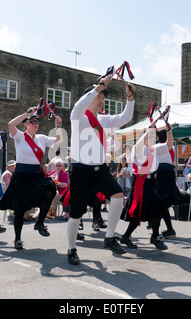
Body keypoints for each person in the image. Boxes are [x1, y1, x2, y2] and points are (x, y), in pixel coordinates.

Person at [67, 76, 136, 265]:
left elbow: (125, 118)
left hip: (100, 170)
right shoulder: (78, 117)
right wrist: (99, 87)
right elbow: (78, 106)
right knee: (76, 213)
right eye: (98, 96)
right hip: (81, 170)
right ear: (89, 98)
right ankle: (72, 249)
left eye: (102, 96)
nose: (101, 99)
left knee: (117, 195)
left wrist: (129, 98)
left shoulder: (103, 120)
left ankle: (109, 237)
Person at [0, 109, 62, 250]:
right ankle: (17, 239)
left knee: (50, 191)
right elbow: (11, 124)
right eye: (32, 122)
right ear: (25, 124)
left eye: (37, 122)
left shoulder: (41, 138)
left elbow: (58, 141)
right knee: (19, 211)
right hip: (22, 176)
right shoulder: (19, 136)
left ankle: (40, 223)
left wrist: (58, 127)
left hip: (36, 175)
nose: (35, 124)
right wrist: (26, 113)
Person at [120, 121, 169, 250]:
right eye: (151, 136)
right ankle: (128, 237)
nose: (153, 138)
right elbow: (138, 145)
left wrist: (169, 131)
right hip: (141, 183)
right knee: (138, 214)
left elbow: (168, 145)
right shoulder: (138, 150)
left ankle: (154, 236)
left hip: (151, 182)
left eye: (154, 136)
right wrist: (150, 130)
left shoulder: (154, 149)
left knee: (156, 210)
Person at [154, 124, 184, 239]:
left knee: (160, 202)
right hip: (169, 172)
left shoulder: (159, 147)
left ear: (158, 138)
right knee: (162, 202)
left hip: (161, 173)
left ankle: (163, 228)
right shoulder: (170, 149)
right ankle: (164, 228)